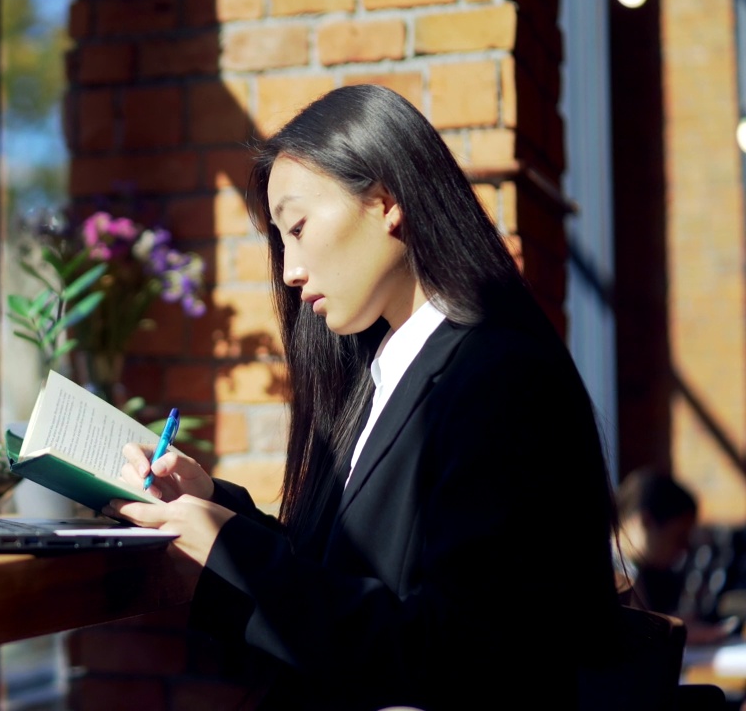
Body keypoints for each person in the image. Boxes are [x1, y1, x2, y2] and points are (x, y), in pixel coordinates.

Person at [107, 85, 621, 709]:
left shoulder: (499, 377)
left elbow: (460, 654)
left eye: (297, 228)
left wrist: (231, 551)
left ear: (385, 201)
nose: (290, 270)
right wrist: (214, 506)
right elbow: (343, 573)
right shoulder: (388, 372)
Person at [616, 468, 732, 646]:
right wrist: (674, 633)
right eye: (678, 537)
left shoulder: (640, 572)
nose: (684, 548)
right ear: (645, 523)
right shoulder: (611, 576)